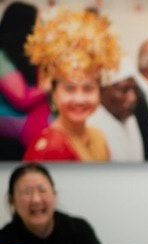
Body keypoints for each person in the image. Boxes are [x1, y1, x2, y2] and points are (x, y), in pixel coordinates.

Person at [22, 7, 121, 162]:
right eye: (69, 89)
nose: (79, 99)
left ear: (99, 91)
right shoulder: (49, 147)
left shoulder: (98, 137)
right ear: (53, 93)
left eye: (88, 89)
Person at [0, 1, 49, 159]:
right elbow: (22, 99)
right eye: (39, 24)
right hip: (8, 122)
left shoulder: (27, 55)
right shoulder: (2, 57)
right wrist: (49, 86)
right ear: (23, 26)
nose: (42, 29)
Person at [87, 58, 144, 161]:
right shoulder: (91, 124)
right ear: (102, 91)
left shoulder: (129, 118)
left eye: (135, 90)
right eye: (124, 90)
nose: (133, 98)